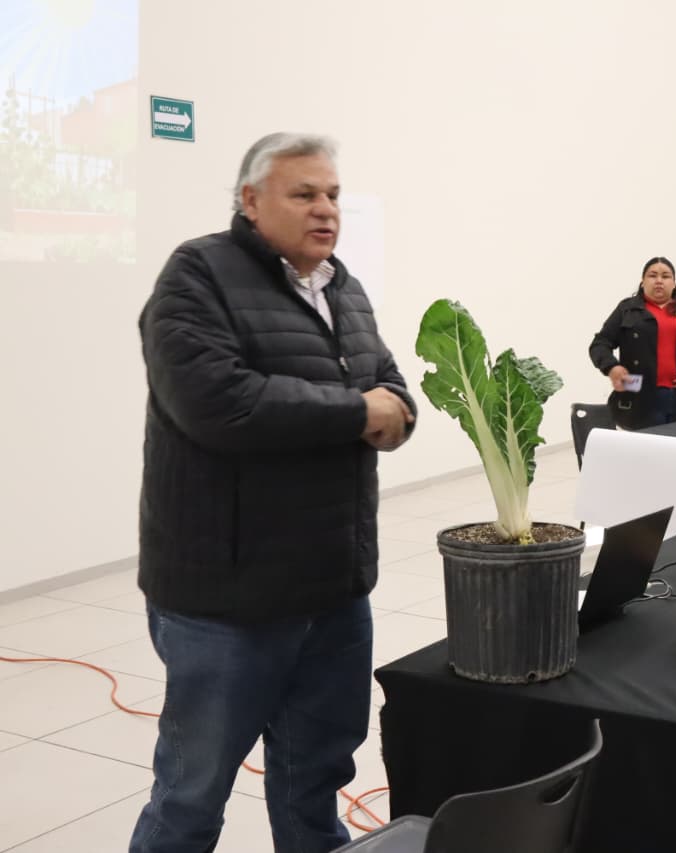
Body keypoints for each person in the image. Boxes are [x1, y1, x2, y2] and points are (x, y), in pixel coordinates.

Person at [131, 133, 416, 852]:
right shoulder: (198, 275)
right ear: (251, 201)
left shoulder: (343, 288)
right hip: (228, 599)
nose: (326, 209)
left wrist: (396, 414)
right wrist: (358, 413)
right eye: (304, 194)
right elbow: (218, 403)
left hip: (333, 589)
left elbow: (391, 386)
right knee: (192, 793)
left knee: (314, 781)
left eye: (333, 195)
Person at [589, 257, 676, 429]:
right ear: (642, 282)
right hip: (640, 399)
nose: (659, 281)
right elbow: (600, 344)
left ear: (674, 283)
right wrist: (611, 367)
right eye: (652, 275)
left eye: (665, 276)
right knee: (645, 445)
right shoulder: (627, 309)